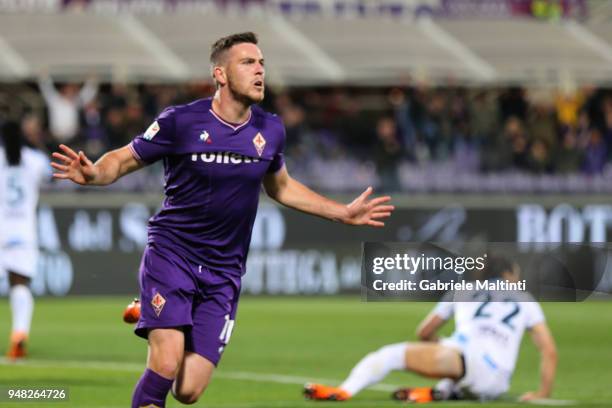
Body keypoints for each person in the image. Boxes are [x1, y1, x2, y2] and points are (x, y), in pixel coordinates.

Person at [50, 32, 394, 408]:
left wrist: (341, 212)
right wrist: (96, 173)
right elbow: (124, 158)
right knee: (165, 363)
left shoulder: (270, 130)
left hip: (224, 271)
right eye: (248, 62)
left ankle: (152, 311)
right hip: (173, 254)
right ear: (221, 74)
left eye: (262, 62)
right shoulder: (180, 122)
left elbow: (281, 187)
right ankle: (159, 312)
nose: (260, 70)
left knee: (189, 391)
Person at [304, 257, 557, 403]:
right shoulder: (525, 298)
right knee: (459, 360)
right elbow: (549, 350)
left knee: (389, 355)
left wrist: (440, 344)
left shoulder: (463, 291)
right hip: (498, 382)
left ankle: (343, 391)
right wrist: (542, 393)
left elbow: (424, 332)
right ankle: (437, 393)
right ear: (508, 274)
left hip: (467, 360)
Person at [0, 120, 50, 359]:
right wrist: (36, 141)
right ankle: (19, 334)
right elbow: (52, 174)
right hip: (23, 230)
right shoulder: (34, 159)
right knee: (19, 284)